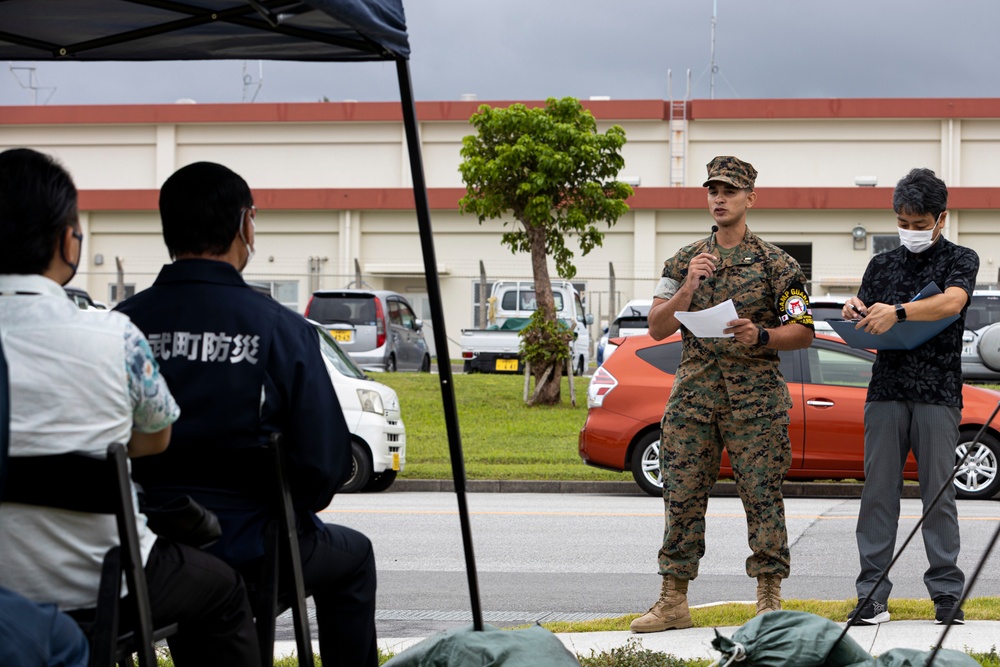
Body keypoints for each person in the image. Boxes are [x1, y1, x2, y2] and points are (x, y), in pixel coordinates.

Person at [0, 148, 261, 666]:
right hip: (106, 582)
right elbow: (156, 437)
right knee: (225, 593)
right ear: (66, 239)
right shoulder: (115, 336)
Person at [115, 161, 378, 666]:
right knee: (354, 558)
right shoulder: (282, 330)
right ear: (245, 224)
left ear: (168, 228)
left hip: (146, 553)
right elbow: (323, 472)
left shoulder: (121, 327)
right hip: (258, 550)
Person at [631, 156, 815, 633]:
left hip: (756, 402)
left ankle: (769, 599)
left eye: (730, 191)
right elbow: (655, 327)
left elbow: (804, 330)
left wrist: (762, 336)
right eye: (713, 190)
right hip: (694, 400)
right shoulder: (682, 260)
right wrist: (688, 286)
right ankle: (673, 600)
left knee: (762, 496)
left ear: (750, 198)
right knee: (682, 497)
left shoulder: (779, 264)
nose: (720, 199)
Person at [842, 168, 977, 626]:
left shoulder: (962, 258)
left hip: (938, 391)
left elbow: (952, 302)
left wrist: (898, 311)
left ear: (941, 218)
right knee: (878, 493)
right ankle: (872, 595)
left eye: (920, 224)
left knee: (939, 493)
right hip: (886, 388)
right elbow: (865, 314)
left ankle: (946, 593)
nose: (911, 231)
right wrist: (855, 309)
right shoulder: (881, 265)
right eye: (903, 222)